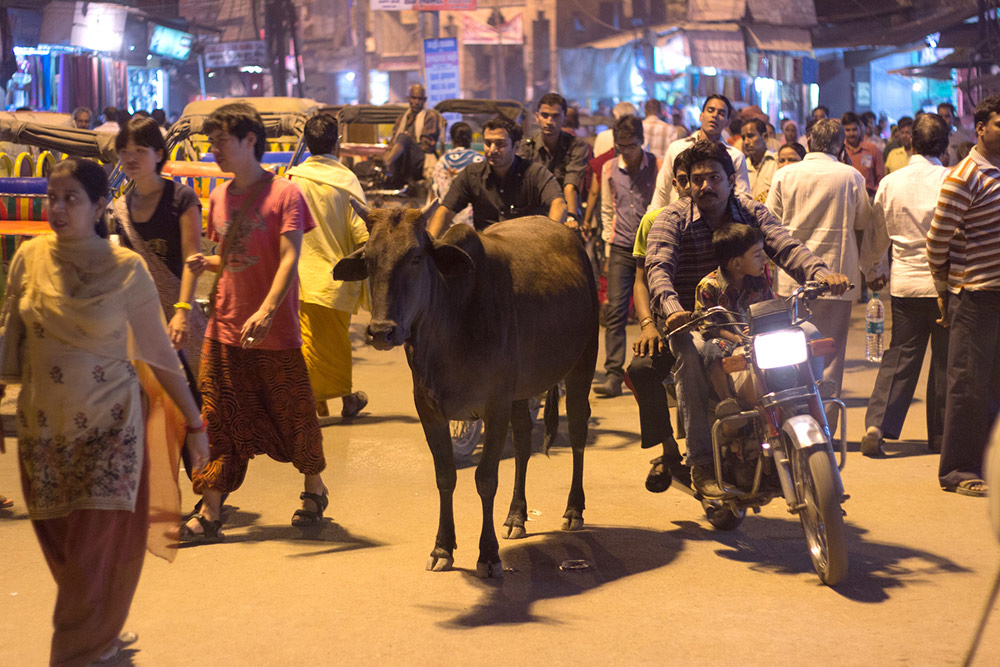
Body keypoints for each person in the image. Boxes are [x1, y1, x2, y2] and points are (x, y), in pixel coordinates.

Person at [2, 158, 208, 665]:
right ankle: (99, 633)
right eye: (53, 197)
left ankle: (76, 653)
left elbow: (160, 355)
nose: (57, 208)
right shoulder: (27, 258)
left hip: (109, 435)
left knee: (94, 556)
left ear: (98, 206)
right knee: (70, 558)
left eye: (71, 198)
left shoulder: (126, 270)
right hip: (42, 436)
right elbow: (12, 342)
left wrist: (196, 424)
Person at [644, 140, 849, 497]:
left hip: (750, 314)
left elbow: (786, 246)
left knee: (810, 333)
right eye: (697, 179)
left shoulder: (751, 212)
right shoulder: (671, 219)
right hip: (692, 320)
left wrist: (819, 273)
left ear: (730, 180)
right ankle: (701, 462)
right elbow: (658, 267)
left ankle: (804, 408)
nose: (705, 186)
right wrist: (672, 308)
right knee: (691, 357)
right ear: (687, 184)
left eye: (714, 177)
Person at [180, 102, 328, 540]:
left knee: (293, 414)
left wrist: (266, 310)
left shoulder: (286, 194)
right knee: (217, 417)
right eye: (211, 144)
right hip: (224, 327)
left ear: (249, 140)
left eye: (221, 142)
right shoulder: (219, 196)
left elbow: (289, 258)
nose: (214, 152)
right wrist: (207, 263)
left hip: (273, 331)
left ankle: (314, 489)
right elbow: (230, 256)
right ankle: (211, 509)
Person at [859, 113, 951, 457]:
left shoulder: (891, 183)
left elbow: (875, 235)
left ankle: (876, 426)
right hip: (944, 285)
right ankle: (943, 439)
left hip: (905, 285)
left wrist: (873, 271)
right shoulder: (950, 180)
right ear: (944, 146)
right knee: (944, 362)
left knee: (900, 356)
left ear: (909, 142)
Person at [766, 119, 873, 413]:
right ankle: (826, 427)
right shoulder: (850, 176)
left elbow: (770, 223)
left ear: (809, 141)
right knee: (830, 352)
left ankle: (794, 416)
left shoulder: (784, 175)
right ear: (840, 147)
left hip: (791, 278)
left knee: (791, 350)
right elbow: (863, 220)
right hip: (839, 278)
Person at [926, 95, 1000, 498]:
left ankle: (991, 463)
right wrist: (944, 284)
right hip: (973, 296)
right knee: (967, 386)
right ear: (981, 128)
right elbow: (937, 238)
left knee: (993, 387)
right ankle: (958, 470)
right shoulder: (964, 175)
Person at [286, 113, 370, 420]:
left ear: (307, 144)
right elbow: (362, 233)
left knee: (308, 343)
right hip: (336, 278)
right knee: (333, 344)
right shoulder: (346, 182)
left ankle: (326, 399)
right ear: (338, 143)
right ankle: (329, 400)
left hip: (298, 278)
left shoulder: (292, 180)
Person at [628, 148, 693, 492]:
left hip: (716, 320)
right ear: (674, 183)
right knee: (640, 369)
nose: (690, 187)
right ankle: (669, 448)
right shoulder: (653, 222)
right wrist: (648, 324)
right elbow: (641, 280)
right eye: (684, 180)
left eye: (698, 179)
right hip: (667, 323)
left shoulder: (724, 217)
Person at [593, 115, 660, 397]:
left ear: (641, 142)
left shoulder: (657, 165)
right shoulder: (609, 168)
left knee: (658, 307)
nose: (625, 152)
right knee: (616, 311)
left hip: (653, 246)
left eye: (630, 146)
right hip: (621, 246)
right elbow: (608, 209)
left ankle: (658, 370)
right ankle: (613, 373)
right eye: (620, 146)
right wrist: (609, 247)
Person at [428, 114, 566, 236]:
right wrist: (429, 244)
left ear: (516, 146)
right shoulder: (471, 174)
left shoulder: (535, 173)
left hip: (526, 250)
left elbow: (558, 204)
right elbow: (445, 211)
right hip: (488, 253)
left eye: (500, 144)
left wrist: (549, 239)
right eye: (488, 143)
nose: (492, 150)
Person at [694, 224, 773, 408]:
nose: (765, 259)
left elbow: (769, 308)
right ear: (737, 263)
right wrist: (736, 337)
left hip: (759, 338)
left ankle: (800, 389)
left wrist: (760, 327)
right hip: (728, 341)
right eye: (757, 255)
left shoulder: (759, 281)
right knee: (711, 349)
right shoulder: (709, 286)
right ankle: (727, 402)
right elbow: (708, 327)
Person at [647, 94, 751, 210]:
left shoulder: (734, 156)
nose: (715, 116)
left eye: (721, 113)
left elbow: (742, 196)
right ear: (701, 116)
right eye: (710, 110)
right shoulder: (677, 149)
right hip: (679, 220)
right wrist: (651, 221)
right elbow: (662, 190)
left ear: (727, 122)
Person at [518, 92, 591, 227]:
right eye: (545, 115)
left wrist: (571, 216)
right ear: (537, 117)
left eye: (556, 116)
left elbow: (571, 183)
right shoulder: (527, 146)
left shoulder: (576, 146)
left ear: (564, 118)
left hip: (566, 211)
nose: (550, 121)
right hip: (534, 216)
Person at [383, 83, 442, 186]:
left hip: (419, 159)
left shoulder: (430, 116)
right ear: (408, 98)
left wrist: (407, 140)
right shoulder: (402, 118)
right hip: (401, 162)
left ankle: (387, 163)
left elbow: (426, 146)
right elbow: (393, 142)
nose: (416, 102)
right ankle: (386, 164)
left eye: (420, 99)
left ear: (424, 100)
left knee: (403, 137)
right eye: (414, 98)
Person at [431, 121, 484, 228]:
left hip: (446, 220)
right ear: (470, 138)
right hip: (473, 223)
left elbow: (437, 192)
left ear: (452, 139)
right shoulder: (480, 160)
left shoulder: (442, 161)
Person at [842, 111, 885, 198]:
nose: (851, 134)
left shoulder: (872, 149)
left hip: (868, 198)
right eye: (848, 130)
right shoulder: (840, 151)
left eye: (854, 130)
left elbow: (881, 179)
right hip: (845, 198)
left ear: (860, 129)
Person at [741, 117, 777, 201]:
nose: (746, 142)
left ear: (764, 137)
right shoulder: (742, 166)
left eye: (750, 136)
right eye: (743, 138)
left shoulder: (776, 162)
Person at [938, 101, 973, 166]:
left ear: (953, 117)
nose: (943, 119)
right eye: (940, 116)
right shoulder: (933, 139)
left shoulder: (962, 139)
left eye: (947, 116)